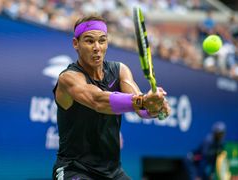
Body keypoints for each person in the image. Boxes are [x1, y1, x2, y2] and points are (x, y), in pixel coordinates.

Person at [52, 14, 171, 180]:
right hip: (75, 169)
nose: (97, 47)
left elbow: (142, 110)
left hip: (113, 172)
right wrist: (143, 101)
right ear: (75, 44)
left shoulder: (120, 70)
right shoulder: (68, 78)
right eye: (89, 41)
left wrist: (155, 107)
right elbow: (98, 101)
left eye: (102, 40)